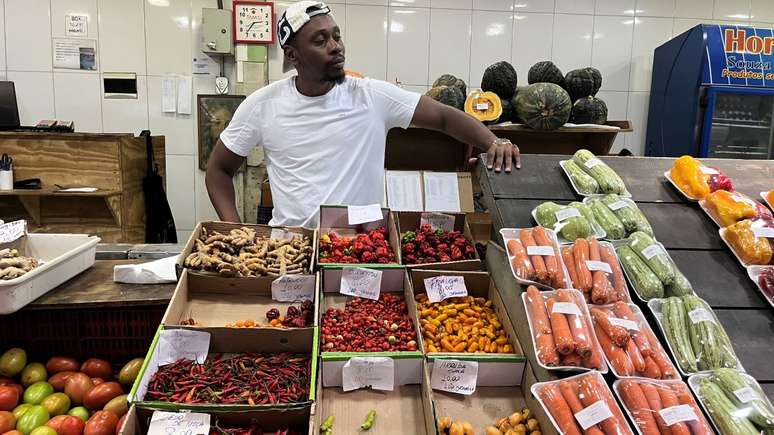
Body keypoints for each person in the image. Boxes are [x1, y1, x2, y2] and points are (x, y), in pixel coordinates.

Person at [206, 0, 521, 228]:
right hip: (293, 250)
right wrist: (237, 231)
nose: (336, 46)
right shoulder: (263, 105)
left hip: (363, 249)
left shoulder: (371, 96)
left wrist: (494, 142)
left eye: (337, 35)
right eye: (320, 40)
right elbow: (218, 170)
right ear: (293, 55)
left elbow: (443, 117)